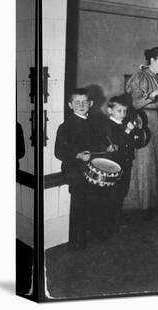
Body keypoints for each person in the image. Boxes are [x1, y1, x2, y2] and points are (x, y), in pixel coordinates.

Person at [54, 88, 112, 249]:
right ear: (70, 105)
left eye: (85, 102)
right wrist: (78, 155)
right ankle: (77, 240)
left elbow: (100, 142)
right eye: (77, 103)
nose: (81, 105)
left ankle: (95, 231)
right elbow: (59, 151)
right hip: (74, 169)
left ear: (91, 104)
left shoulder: (95, 122)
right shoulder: (65, 126)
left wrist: (107, 147)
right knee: (79, 203)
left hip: (92, 167)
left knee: (96, 199)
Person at [124, 46, 158, 221]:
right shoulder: (139, 77)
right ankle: (143, 205)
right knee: (145, 164)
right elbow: (135, 104)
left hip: (157, 120)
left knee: (156, 162)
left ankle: (153, 201)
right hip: (144, 121)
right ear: (151, 60)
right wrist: (154, 93)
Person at [104, 94, 146, 231]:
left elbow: (134, 143)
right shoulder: (108, 126)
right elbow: (116, 142)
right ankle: (110, 221)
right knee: (113, 193)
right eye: (119, 111)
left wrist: (136, 132)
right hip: (114, 165)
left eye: (125, 111)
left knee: (122, 191)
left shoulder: (123, 125)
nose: (123, 114)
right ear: (110, 111)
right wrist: (128, 131)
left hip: (126, 163)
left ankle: (115, 218)